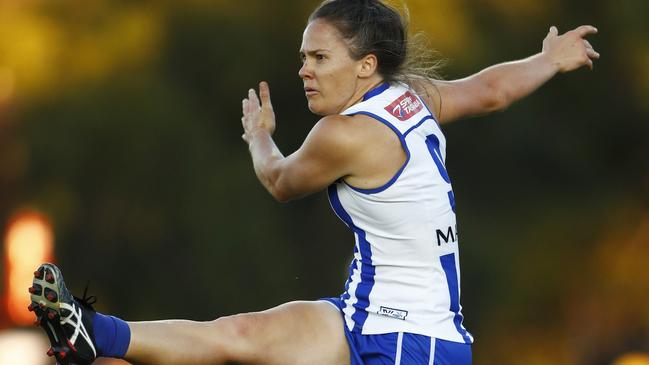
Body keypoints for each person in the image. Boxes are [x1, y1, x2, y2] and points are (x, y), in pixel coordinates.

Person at [28, 0, 599, 364]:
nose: (304, 69)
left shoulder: (343, 134)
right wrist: (548, 60)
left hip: (413, 346)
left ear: (366, 65)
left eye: (319, 57)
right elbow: (491, 90)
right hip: (364, 315)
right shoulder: (412, 98)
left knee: (239, 339)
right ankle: (91, 333)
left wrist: (259, 135)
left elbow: (278, 181)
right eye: (303, 56)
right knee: (241, 336)